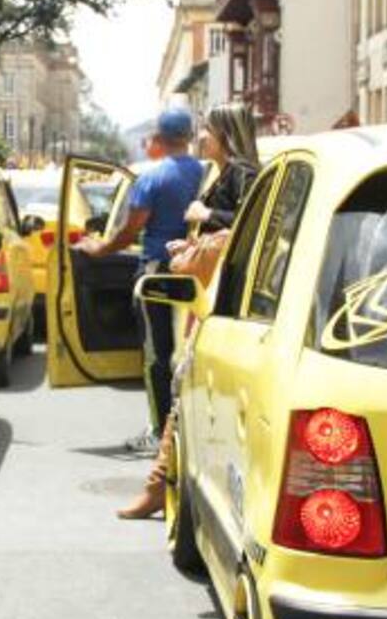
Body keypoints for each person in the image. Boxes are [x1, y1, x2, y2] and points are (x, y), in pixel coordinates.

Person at [117, 103, 260, 520]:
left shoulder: (242, 173)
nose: (201, 138)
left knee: (182, 388)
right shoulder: (219, 172)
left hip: (224, 301)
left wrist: (207, 215)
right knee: (185, 388)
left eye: (207, 130)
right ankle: (164, 484)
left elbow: (249, 226)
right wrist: (194, 243)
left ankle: (160, 486)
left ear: (225, 134)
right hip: (211, 297)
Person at [75, 108, 203, 454]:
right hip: (197, 272)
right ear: (189, 137)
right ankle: (186, 427)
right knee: (191, 352)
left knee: (156, 355)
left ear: (159, 138)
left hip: (156, 274)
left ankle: (161, 432)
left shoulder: (151, 178)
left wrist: (100, 249)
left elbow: (129, 231)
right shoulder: (205, 173)